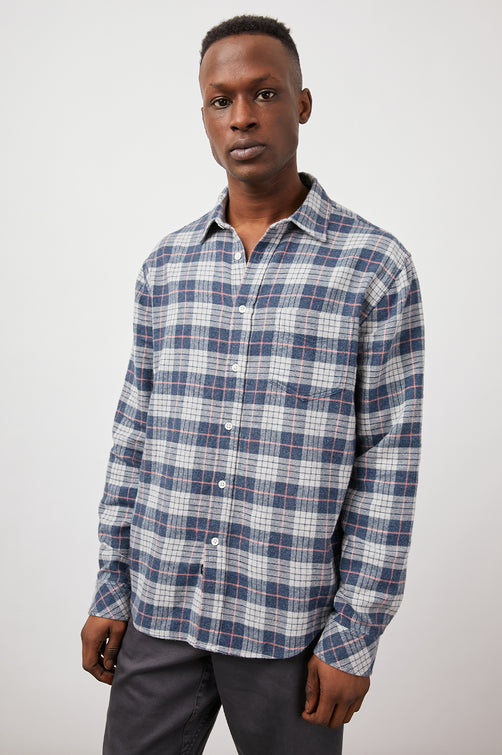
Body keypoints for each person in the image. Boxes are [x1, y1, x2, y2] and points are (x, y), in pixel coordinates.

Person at [81, 14, 424, 755]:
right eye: (220, 99)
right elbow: (133, 436)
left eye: (264, 93)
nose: (241, 115)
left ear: (302, 104)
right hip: (160, 610)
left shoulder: (374, 268)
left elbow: (389, 463)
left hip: (290, 632)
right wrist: (112, 585)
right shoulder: (166, 266)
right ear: (205, 115)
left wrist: (354, 635)